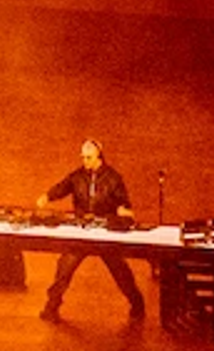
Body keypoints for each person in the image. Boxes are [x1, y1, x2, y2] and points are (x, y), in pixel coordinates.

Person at [41, 131, 146, 322]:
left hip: (104, 230)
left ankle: (137, 304)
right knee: (64, 268)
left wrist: (124, 210)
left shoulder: (114, 178)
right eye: (83, 158)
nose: (85, 161)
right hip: (82, 229)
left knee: (120, 271)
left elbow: (123, 201)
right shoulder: (77, 176)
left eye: (88, 158)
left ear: (99, 157)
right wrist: (47, 197)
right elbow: (62, 187)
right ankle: (51, 307)